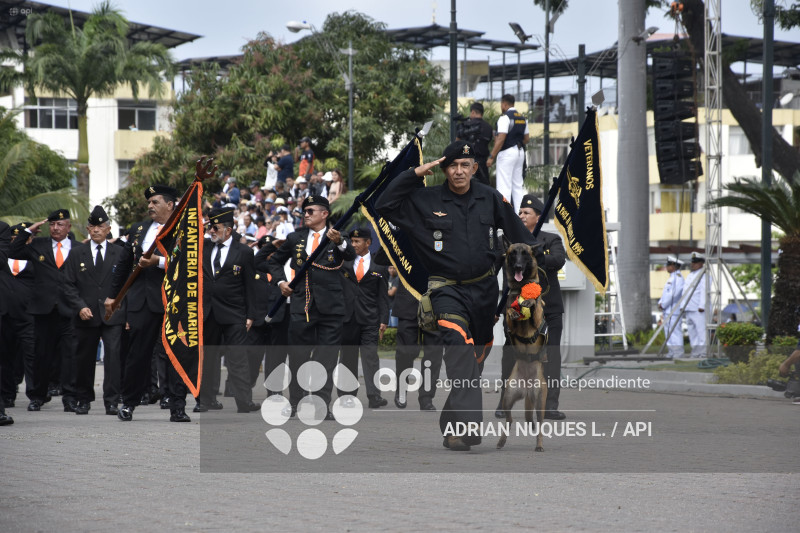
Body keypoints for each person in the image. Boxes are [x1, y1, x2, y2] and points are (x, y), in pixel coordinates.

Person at [375, 140, 536, 451]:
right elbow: (385, 204)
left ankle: (451, 428)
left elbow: (521, 239)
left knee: (473, 361)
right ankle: (467, 427)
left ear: (475, 168)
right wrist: (415, 172)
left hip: (485, 292)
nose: (459, 171)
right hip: (445, 289)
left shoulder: (490, 198)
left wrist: (533, 269)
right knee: (460, 352)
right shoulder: (425, 198)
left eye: (465, 165)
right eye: (452, 165)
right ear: (444, 169)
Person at [266, 195, 356, 420]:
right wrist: (280, 282)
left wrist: (339, 242)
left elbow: (350, 254)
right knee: (298, 356)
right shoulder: (295, 237)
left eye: (311, 211)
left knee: (326, 359)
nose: (306, 214)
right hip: (302, 305)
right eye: (304, 211)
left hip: (331, 307)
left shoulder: (338, 235)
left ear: (324, 214)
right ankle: (296, 403)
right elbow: (274, 261)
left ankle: (320, 405)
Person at [107, 184, 191, 422]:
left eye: (155, 202)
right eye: (149, 203)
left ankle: (177, 406)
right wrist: (113, 296)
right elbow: (124, 263)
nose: (150, 206)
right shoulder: (139, 229)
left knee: (175, 354)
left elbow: (188, 263)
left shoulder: (183, 229)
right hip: (141, 301)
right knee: (137, 354)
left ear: (170, 205)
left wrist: (160, 262)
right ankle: (129, 403)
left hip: (172, 299)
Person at [495, 194, 567, 420]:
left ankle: (550, 405)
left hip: (548, 308)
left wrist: (535, 252)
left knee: (551, 356)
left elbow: (558, 260)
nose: (522, 216)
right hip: (517, 310)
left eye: (527, 213)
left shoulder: (550, 240)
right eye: (520, 213)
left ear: (538, 216)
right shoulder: (510, 241)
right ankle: (503, 402)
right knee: (510, 355)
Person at [61, 206, 128, 415]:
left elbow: (128, 285)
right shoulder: (76, 253)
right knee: (84, 358)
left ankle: (112, 401)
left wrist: (126, 314)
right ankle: (83, 399)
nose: (96, 230)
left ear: (108, 229)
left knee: (113, 358)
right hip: (86, 314)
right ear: (88, 229)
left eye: (101, 226)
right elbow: (67, 284)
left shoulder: (121, 253)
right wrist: (80, 306)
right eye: (93, 226)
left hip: (112, 314)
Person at [9, 209, 78, 412]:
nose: (56, 228)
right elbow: (13, 251)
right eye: (52, 225)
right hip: (43, 310)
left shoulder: (77, 249)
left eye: (60, 224)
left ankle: (70, 397)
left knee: (69, 356)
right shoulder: (38, 245)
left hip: (68, 310)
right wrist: (28, 231)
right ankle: (37, 396)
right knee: (41, 355)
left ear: (68, 227)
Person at [196, 208, 260, 414]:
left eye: (216, 228)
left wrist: (251, 315)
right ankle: (204, 400)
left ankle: (244, 401)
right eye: (209, 227)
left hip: (234, 312)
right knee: (207, 358)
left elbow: (251, 285)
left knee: (237, 358)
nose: (211, 231)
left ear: (229, 230)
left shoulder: (244, 252)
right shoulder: (203, 247)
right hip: (208, 312)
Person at [338, 228, 390, 409]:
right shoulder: (344, 263)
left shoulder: (379, 267)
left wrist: (384, 319)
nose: (354, 245)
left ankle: (374, 396)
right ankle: (346, 395)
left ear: (368, 243)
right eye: (352, 241)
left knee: (370, 357)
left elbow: (383, 296)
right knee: (347, 358)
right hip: (348, 318)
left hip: (370, 319)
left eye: (357, 241)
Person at [487, 94, 530, 213]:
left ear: (504, 104)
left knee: (504, 185)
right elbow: (526, 138)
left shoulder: (505, 118)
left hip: (507, 152)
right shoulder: (522, 118)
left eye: (501, 104)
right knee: (517, 186)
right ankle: (520, 215)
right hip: (520, 152)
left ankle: (504, 215)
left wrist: (491, 157)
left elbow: (501, 138)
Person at [456, 101, 493, 186]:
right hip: (483, 161)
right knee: (484, 185)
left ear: (473, 112)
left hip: (469, 159)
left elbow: (458, 140)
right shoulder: (488, 127)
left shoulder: (466, 125)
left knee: (467, 185)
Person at [658, 256, 685, 359]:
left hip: (674, 309)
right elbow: (665, 293)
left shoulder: (678, 278)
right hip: (668, 310)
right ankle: (671, 352)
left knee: (675, 332)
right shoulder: (671, 278)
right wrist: (661, 302)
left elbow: (673, 294)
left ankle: (678, 353)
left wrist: (663, 304)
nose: (667, 267)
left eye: (668, 265)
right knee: (668, 332)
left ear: (673, 266)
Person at [683, 252, 708, 358]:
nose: (693, 264)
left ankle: (703, 352)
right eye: (692, 262)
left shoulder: (704, 276)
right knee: (692, 332)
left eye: (696, 262)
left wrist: (702, 305)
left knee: (701, 332)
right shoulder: (690, 275)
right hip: (689, 307)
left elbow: (704, 291)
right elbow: (686, 292)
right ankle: (696, 351)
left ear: (702, 263)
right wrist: (683, 306)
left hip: (698, 309)